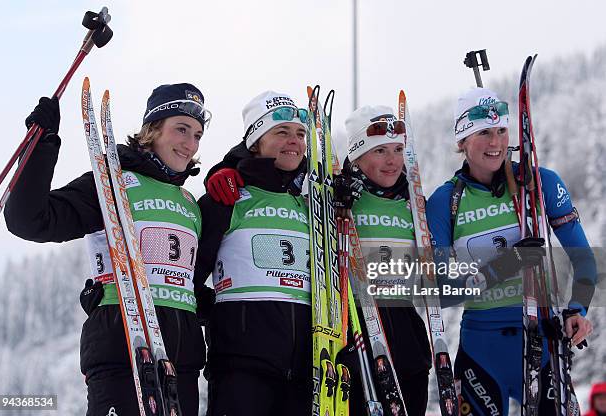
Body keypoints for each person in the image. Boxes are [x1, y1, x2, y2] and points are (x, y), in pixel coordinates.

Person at [4, 83, 210, 415]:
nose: (190, 143)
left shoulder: (189, 203)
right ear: (152, 130)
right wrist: (41, 146)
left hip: (180, 362)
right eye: (181, 129)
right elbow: (29, 220)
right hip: (123, 349)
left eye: (198, 135)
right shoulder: (111, 183)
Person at [426, 87, 597, 415]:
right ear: (462, 141)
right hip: (481, 349)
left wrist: (578, 310)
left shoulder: (539, 184)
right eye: (484, 133)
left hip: (542, 342)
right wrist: (505, 265)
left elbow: (585, 260)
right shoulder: (444, 202)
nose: (496, 143)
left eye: (501, 130)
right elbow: (441, 292)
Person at [195, 91, 311, 416]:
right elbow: (187, 275)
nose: (294, 141)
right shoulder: (228, 196)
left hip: (307, 367)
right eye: (281, 132)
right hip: (241, 368)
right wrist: (212, 310)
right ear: (256, 141)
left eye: (300, 133)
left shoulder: (312, 203)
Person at [334, 105, 432, 416]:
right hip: (356, 337)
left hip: (407, 341)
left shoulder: (415, 206)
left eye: (398, 149)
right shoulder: (340, 200)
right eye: (380, 151)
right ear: (357, 156)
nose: (392, 161)